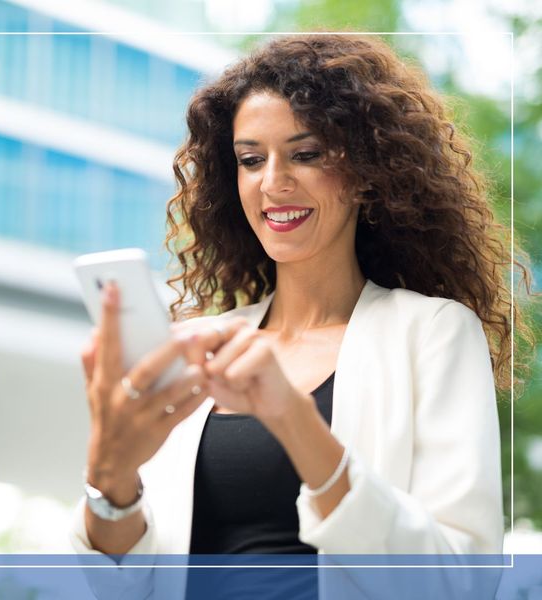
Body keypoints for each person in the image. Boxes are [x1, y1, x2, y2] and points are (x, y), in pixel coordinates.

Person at [70, 34, 532, 599]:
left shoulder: (431, 332)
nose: (273, 182)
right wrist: (109, 479)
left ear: (366, 172)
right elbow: (121, 584)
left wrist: (293, 417)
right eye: (250, 159)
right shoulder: (195, 347)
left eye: (307, 154)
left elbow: (459, 581)